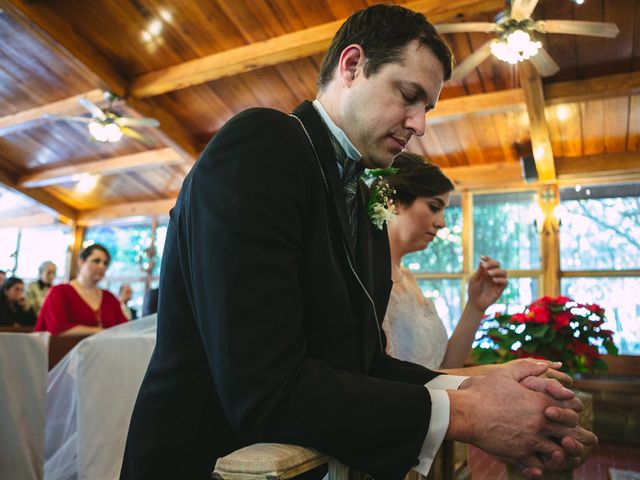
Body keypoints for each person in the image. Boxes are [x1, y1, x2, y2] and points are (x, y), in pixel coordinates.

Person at [122, 5, 595, 480]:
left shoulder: (368, 200)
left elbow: (363, 367)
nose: (419, 125)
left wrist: (480, 383)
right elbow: (264, 391)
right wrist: (471, 415)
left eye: (426, 108)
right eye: (408, 95)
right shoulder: (263, 144)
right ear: (351, 65)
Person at [383, 152, 508, 372]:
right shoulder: (369, 277)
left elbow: (445, 366)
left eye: (444, 211)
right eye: (434, 207)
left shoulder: (409, 279)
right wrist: (491, 373)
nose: (441, 223)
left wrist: (475, 306)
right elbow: (386, 380)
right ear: (394, 202)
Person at [35, 244, 127, 335]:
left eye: (105, 263)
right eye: (96, 261)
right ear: (81, 262)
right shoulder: (60, 292)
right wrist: (102, 332)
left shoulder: (109, 298)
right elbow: (57, 328)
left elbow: (125, 329)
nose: (102, 267)